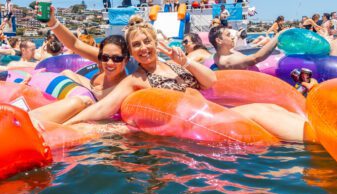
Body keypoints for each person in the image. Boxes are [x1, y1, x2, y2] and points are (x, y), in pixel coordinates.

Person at [66, 23, 306, 141]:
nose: (143, 48)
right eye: (136, 45)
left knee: (270, 108)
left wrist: (185, 63)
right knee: (259, 112)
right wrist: (69, 124)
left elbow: (210, 81)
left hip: (211, 114)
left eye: (146, 42)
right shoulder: (135, 79)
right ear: (131, 51)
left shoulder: (175, 62)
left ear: (154, 42)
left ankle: (314, 133)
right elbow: (101, 109)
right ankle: (316, 140)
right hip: (195, 125)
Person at [208, 25, 278, 70]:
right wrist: (277, 37)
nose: (232, 37)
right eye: (228, 35)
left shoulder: (222, 53)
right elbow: (255, 59)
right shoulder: (227, 60)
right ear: (219, 40)